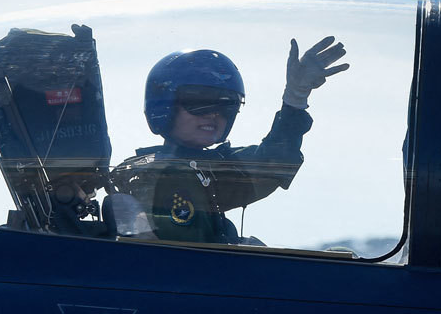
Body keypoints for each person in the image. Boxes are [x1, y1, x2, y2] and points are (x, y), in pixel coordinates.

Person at [111, 37, 349, 243]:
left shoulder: (216, 166)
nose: (214, 114)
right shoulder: (151, 174)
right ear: (164, 106)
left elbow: (273, 161)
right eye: (200, 102)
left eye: (227, 104)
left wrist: (295, 99)